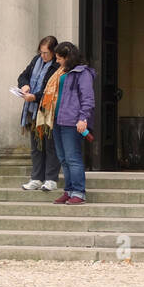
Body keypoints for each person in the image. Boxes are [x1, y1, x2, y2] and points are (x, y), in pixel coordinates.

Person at [49, 40, 96, 205]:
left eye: (59, 58)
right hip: (58, 119)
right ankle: (68, 191)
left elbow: (88, 98)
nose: (57, 61)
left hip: (72, 121)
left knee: (72, 157)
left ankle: (79, 192)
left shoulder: (83, 73)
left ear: (68, 57)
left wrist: (83, 118)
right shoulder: (63, 72)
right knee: (63, 158)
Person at [17, 36, 61, 191]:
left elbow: (52, 90)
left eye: (46, 53)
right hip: (32, 110)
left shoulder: (57, 66)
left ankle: (51, 179)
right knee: (36, 146)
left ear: (54, 52)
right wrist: (24, 86)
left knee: (50, 145)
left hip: (47, 111)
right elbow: (23, 76)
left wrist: (35, 96)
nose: (43, 56)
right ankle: (36, 178)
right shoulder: (36, 61)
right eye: (41, 52)